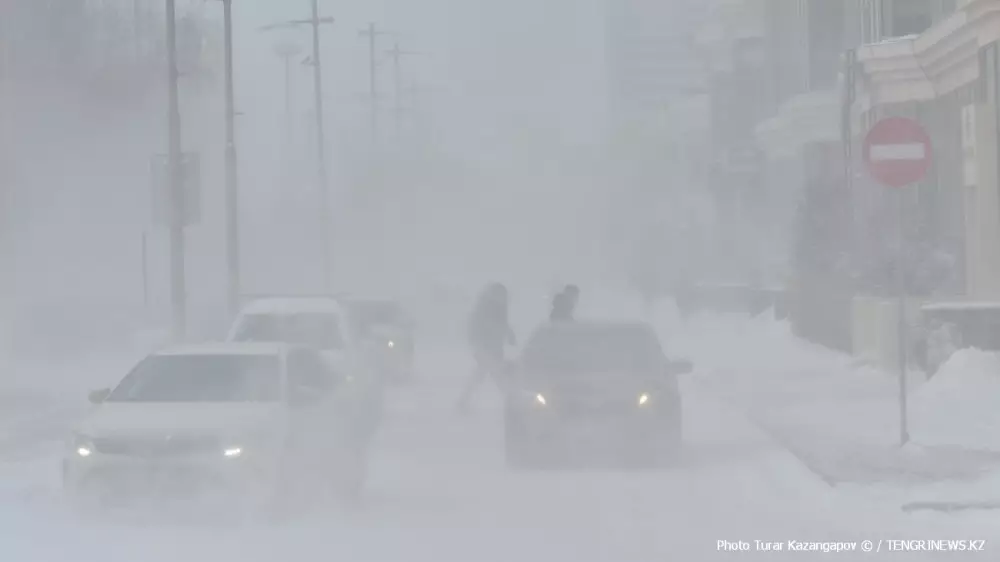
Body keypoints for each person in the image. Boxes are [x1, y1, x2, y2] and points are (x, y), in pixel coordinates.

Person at [457, 283, 516, 412]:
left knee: (483, 374)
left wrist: (510, 334)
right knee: (498, 375)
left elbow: (503, 324)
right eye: (501, 295)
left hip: (494, 347)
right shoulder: (485, 308)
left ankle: (463, 401)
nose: (503, 298)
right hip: (485, 347)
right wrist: (477, 344)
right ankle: (512, 402)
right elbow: (477, 327)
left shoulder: (499, 308)